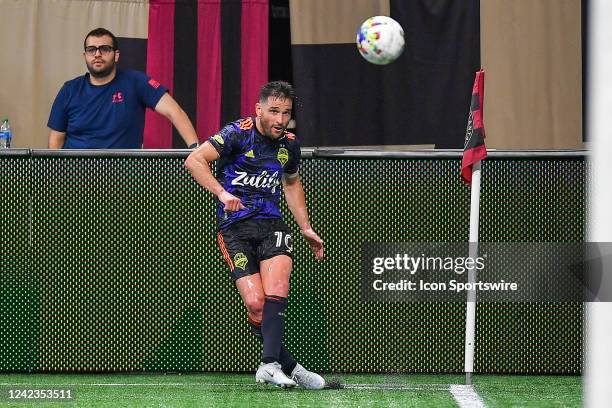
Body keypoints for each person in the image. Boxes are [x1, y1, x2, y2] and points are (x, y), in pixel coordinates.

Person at [185, 81, 326, 389]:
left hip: (272, 225)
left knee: (278, 287)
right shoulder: (238, 133)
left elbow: (291, 184)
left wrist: (305, 227)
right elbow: (194, 161)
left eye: (286, 113)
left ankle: (269, 364)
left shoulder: (289, 144)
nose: (280, 119)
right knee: (256, 304)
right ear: (259, 109)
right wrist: (222, 194)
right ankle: (293, 368)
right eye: (274, 111)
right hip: (234, 227)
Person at [48, 27, 198, 149]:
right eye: (91, 49)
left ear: (116, 55)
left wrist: (196, 150)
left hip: (124, 178)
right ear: (85, 55)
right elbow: (56, 140)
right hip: (76, 178)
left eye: (105, 49)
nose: (97, 54)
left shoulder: (136, 82)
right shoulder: (69, 90)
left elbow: (175, 112)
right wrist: (53, 178)